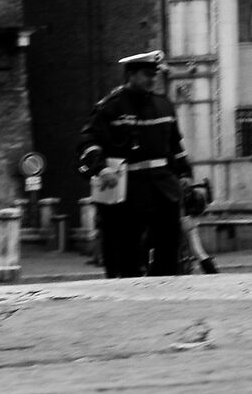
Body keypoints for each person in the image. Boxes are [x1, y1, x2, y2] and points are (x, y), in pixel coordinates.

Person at [79, 50, 192, 277]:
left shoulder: (164, 106)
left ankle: (167, 290)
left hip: (163, 188)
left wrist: (185, 174)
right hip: (128, 192)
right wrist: (102, 169)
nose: (152, 79)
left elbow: (175, 146)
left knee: (169, 245)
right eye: (146, 74)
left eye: (154, 74)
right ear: (130, 74)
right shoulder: (110, 107)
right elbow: (87, 142)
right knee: (127, 251)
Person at [181, 176, 219, 274]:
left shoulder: (181, 192)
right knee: (199, 253)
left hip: (182, 221)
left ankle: (184, 271)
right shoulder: (195, 194)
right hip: (193, 221)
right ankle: (213, 272)